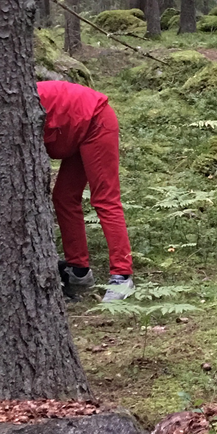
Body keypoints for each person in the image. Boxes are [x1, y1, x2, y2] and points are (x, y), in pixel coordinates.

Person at [37, 79, 135, 302]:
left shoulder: (17, 104)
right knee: (63, 197)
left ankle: (122, 276)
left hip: (95, 121)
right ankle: (78, 270)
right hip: (73, 129)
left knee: (105, 198)